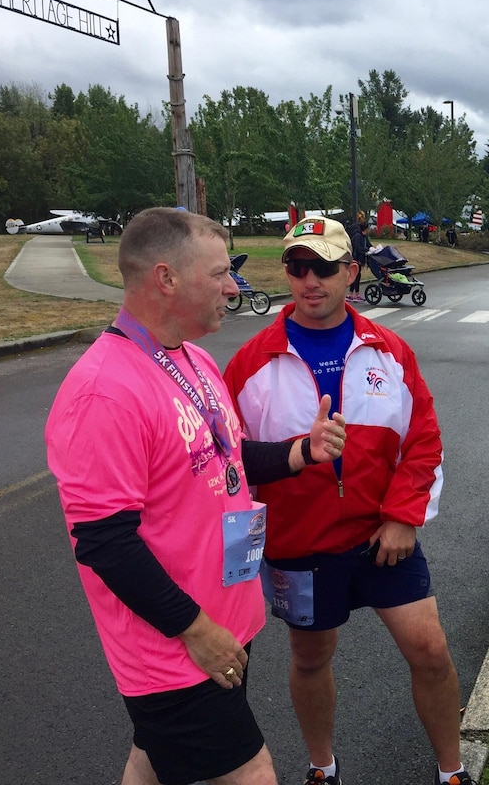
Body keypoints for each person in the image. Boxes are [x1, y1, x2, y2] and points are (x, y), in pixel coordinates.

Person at [45, 207, 348, 785]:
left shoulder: (194, 358)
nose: (234, 288)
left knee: (153, 758)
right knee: (252, 775)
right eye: (219, 274)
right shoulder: (104, 392)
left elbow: (228, 458)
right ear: (166, 279)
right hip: (174, 648)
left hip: (224, 622)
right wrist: (197, 631)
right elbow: (105, 543)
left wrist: (301, 451)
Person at [223, 217, 474, 785]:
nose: (311, 280)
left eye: (325, 267)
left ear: (351, 272)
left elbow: (423, 440)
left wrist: (404, 517)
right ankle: (323, 767)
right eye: (297, 267)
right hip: (300, 545)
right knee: (311, 659)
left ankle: (453, 772)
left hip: (383, 539)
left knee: (430, 650)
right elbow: (229, 461)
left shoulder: (390, 350)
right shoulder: (249, 363)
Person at [346, 220, 369, 302]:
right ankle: (356, 294)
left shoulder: (364, 237)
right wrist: (366, 250)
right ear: (365, 229)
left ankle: (351, 294)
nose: (368, 230)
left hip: (359, 259)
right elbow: (358, 248)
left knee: (356, 276)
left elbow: (369, 245)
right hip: (355, 259)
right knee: (356, 276)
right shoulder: (358, 237)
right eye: (368, 229)